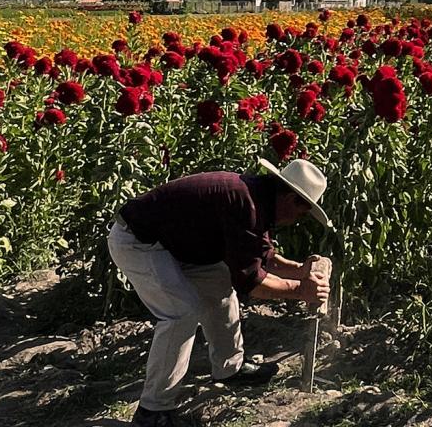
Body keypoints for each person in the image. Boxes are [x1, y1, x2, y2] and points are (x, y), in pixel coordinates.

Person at [108, 158, 335, 427]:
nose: (297, 220)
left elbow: (260, 255)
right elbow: (252, 283)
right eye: (301, 212)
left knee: (220, 288)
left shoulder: (257, 197)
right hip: (140, 242)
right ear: (291, 198)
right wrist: (301, 290)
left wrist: (299, 270)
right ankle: (152, 411)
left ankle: (230, 369)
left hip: (179, 247)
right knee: (181, 314)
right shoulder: (245, 203)